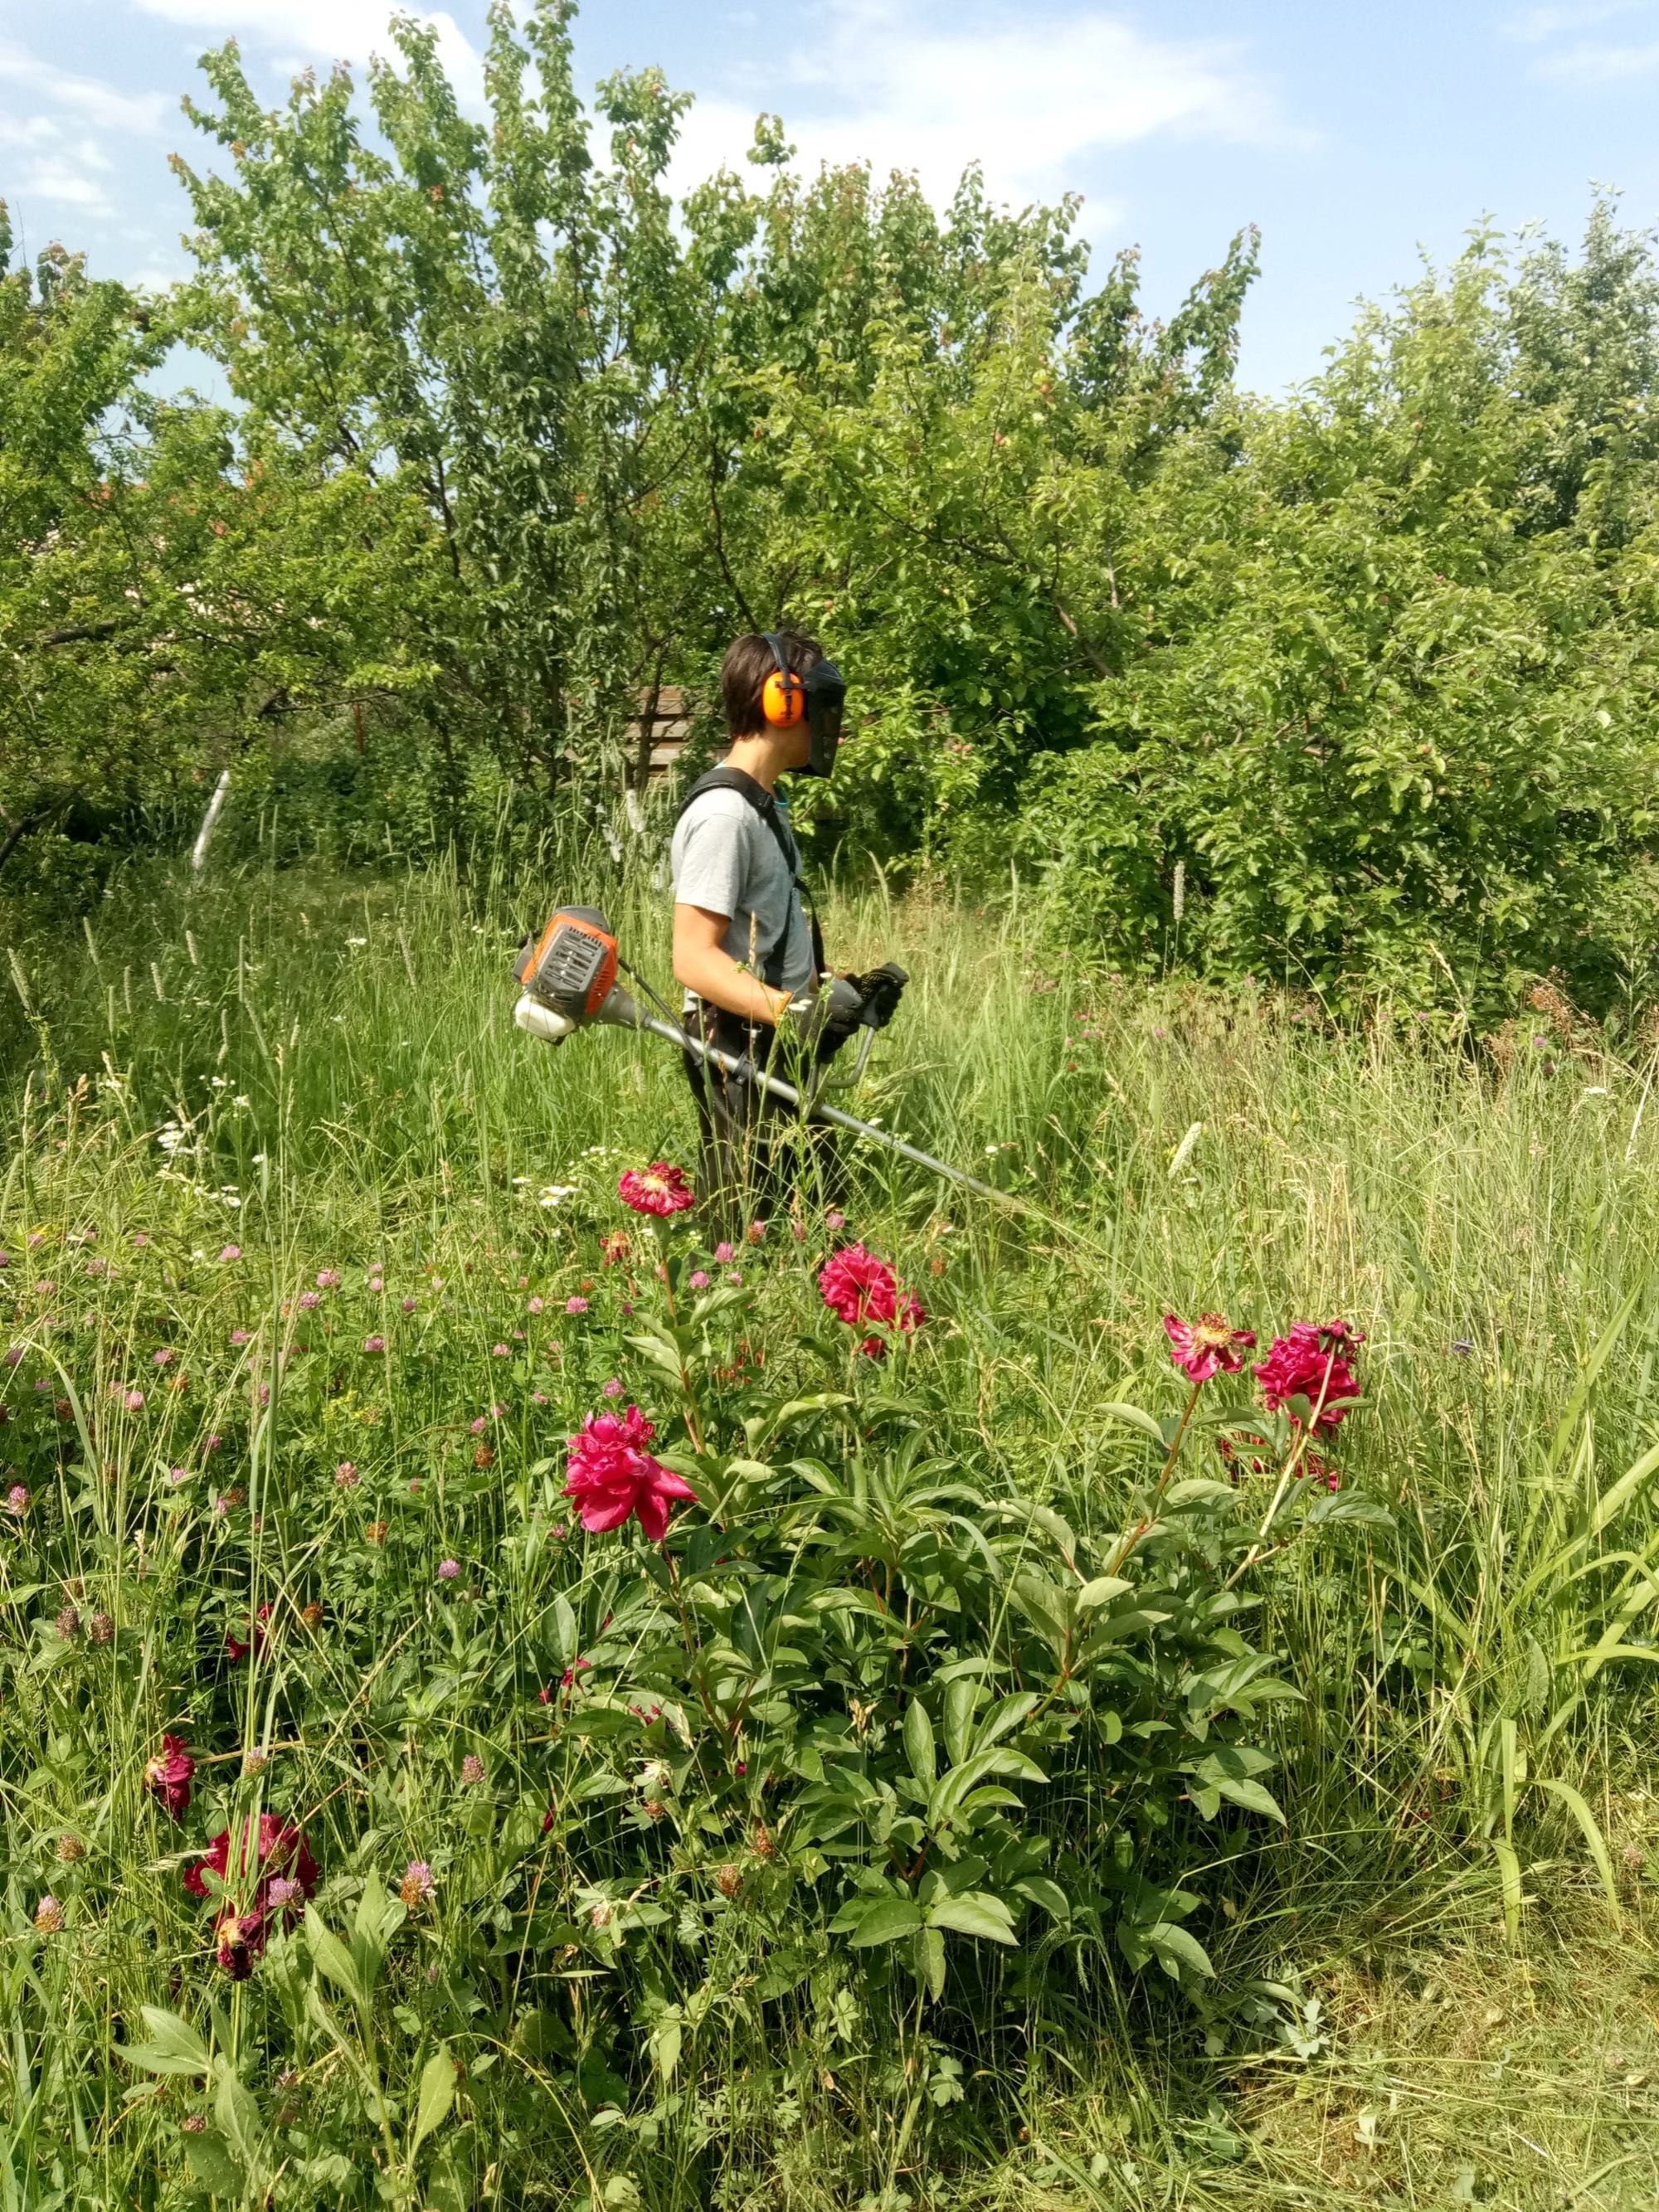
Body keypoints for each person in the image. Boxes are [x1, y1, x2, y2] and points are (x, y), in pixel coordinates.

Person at [670, 630, 877, 1227]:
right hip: (738, 1040)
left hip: (773, 1031)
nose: (830, 726)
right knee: (745, 1223)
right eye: (822, 706)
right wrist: (789, 1010)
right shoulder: (723, 816)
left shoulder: (766, 806)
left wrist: (840, 996)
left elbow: (766, 935)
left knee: (819, 1206)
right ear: (780, 702)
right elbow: (694, 958)